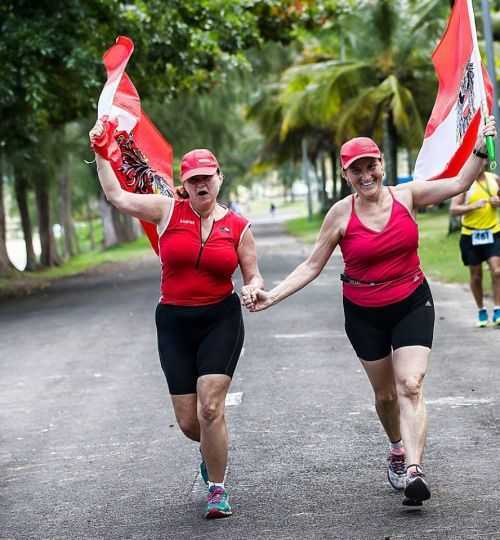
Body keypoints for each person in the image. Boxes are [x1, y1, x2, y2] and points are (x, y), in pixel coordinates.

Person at [242, 117, 496, 507]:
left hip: (412, 300)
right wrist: (271, 296)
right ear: (346, 175)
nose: (366, 174)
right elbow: (312, 266)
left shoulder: (407, 196)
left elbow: (460, 183)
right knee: (385, 395)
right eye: (356, 169)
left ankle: (414, 469)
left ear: (381, 164)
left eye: (371, 165)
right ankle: (396, 447)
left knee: (409, 384)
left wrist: (481, 146)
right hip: (364, 312)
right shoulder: (340, 216)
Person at [89, 118, 263, 519]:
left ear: (219, 178)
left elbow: (251, 273)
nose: (202, 184)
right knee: (189, 422)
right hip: (174, 322)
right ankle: (210, 451)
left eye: (208, 177)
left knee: (210, 408)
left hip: (220, 318)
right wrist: (102, 154)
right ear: (185, 182)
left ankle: (217, 489)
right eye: (194, 178)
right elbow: (117, 195)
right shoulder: (166, 210)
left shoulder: (237, 226)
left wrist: (253, 287)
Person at [450, 167, 500, 327]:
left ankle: (498, 310)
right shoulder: (465, 183)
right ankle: (481, 310)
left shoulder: (495, 179)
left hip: (493, 231)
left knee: (497, 271)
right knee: (476, 275)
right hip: (471, 236)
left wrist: (497, 202)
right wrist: (473, 206)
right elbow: (453, 209)